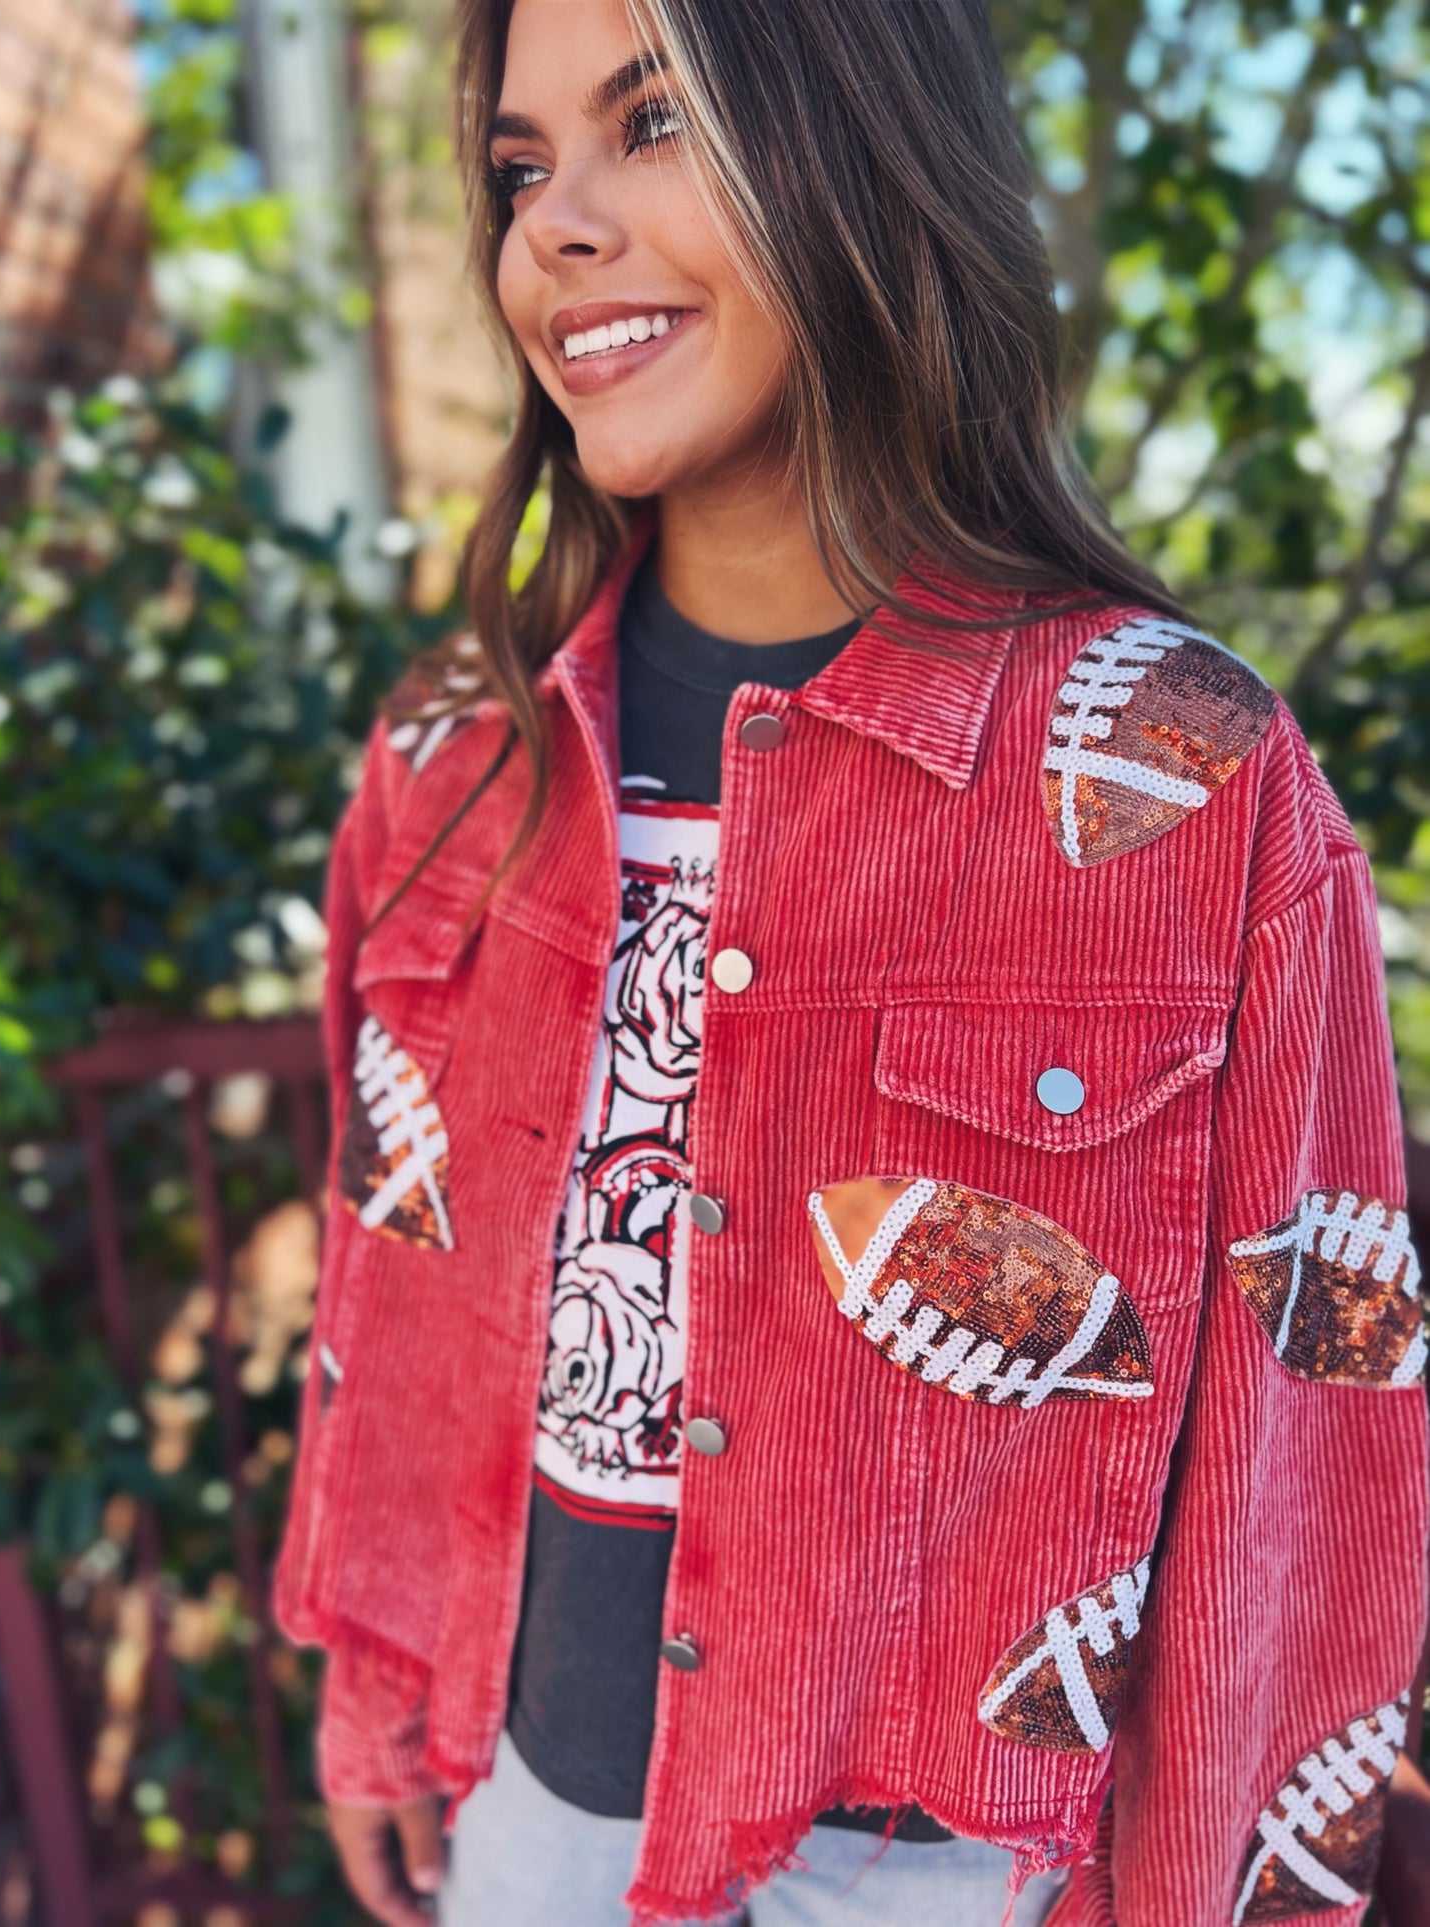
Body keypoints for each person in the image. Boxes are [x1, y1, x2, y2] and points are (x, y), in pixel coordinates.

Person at [272, 1, 1430, 1923]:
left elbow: (1313, 1434)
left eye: (653, 122)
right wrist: (380, 1690)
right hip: (535, 1808)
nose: (555, 221)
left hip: (968, 1872)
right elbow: (388, 1267)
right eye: (518, 164)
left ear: (861, 148)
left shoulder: (1177, 783)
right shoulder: (449, 765)